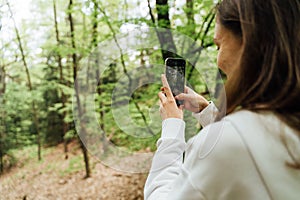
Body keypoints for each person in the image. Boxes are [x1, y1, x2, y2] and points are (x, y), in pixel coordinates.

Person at [144, 0, 300, 199]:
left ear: (250, 43)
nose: (218, 60)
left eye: (219, 45)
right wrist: (207, 112)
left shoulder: (230, 144)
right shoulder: (288, 121)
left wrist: (172, 128)